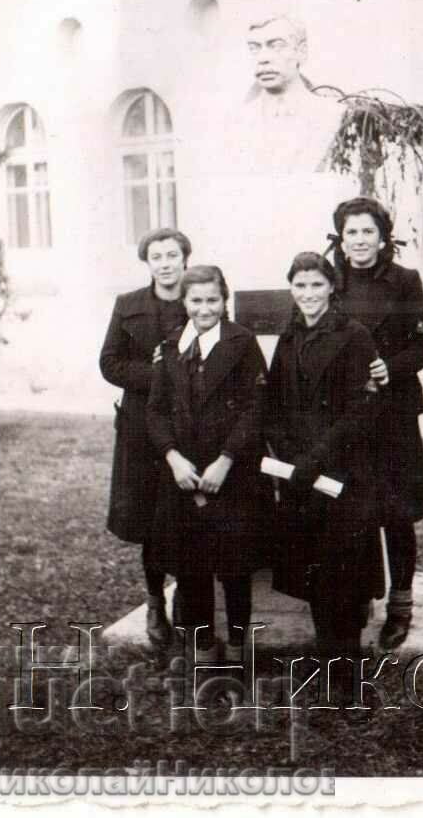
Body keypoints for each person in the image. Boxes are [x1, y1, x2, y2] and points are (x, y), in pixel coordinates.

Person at [146, 265, 271, 663]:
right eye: (196, 300)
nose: (204, 309)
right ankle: (202, 648)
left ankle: (236, 649)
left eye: (212, 300)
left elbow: (255, 410)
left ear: (224, 300)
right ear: (184, 302)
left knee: (235, 568)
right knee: (191, 567)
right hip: (184, 475)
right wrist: (173, 457)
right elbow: (155, 411)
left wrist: (227, 459)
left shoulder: (242, 343)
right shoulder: (170, 347)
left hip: (230, 474)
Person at [329, 197, 423, 650]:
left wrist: (389, 368)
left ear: (382, 236)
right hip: (344, 414)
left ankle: (401, 604)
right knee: (351, 507)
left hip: (392, 411)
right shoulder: (329, 280)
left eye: (367, 232)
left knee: (396, 509)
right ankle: (357, 598)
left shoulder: (403, 281)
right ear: (341, 236)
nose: (359, 241)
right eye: (351, 232)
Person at [266, 251, 384, 661]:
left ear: (332, 287)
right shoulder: (288, 336)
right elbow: (274, 407)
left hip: (344, 473)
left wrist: (315, 459)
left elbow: (361, 411)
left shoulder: (354, 335)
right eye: (300, 285)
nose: (308, 293)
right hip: (301, 474)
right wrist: (291, 457)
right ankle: (328, 660)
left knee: (346, 577)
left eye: (316, 284)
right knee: (314, 573)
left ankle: (348, 672)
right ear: (291, 289)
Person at [99, 227, 192, 649]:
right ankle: (155, 602)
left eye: (172, 254)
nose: (166, 263)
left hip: (191, 427)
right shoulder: (129, 305)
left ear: (184, 258)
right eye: (157, 256)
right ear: (148, 262)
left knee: (190, 514)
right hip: (140, 428)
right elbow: (110, 363)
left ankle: (190, 601)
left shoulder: (201, 300)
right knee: (150, 520)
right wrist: (156, 374)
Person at [231, 14, 342, 173]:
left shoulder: (334, 115)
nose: (262, 58)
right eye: (254, 48)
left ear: (302, 52)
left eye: (276, 45)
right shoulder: (235, 122)